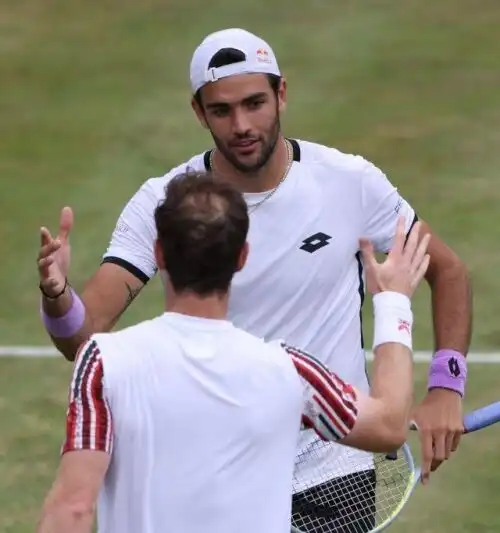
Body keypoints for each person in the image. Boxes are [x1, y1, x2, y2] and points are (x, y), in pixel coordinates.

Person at [37, 28, 471, 532]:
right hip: (224, 470)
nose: (242, 125)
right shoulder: (166, 204)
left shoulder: (351, 183)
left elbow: (448, 269)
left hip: (333, 466)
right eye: (221, 110)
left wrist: (447, 384)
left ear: (281, 94)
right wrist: (56, 294)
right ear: (199, 113)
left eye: (254, 103)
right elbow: (83, 332)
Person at [36, 171, 430, 533]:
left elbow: (71, 509)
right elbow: (389, 426)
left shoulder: (103, 363)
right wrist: (393, 302)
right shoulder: (290, 373)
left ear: (158, 254)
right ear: (242, 257)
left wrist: (57, 294)